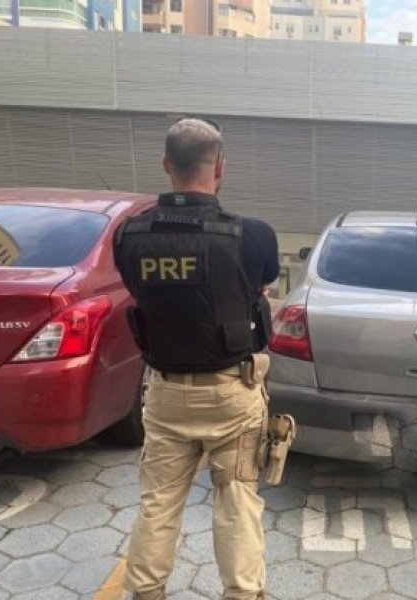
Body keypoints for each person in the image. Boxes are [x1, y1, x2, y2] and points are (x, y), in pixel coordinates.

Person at [112, 118, 279, 600]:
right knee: (237, 500)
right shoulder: (253, 235)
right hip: (232, 392)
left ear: (167, 165)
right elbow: (259, 284)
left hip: (165, 393)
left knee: (158, 502)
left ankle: (146, 593)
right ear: (220, 166)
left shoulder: (128, 235)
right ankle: (242, 593)